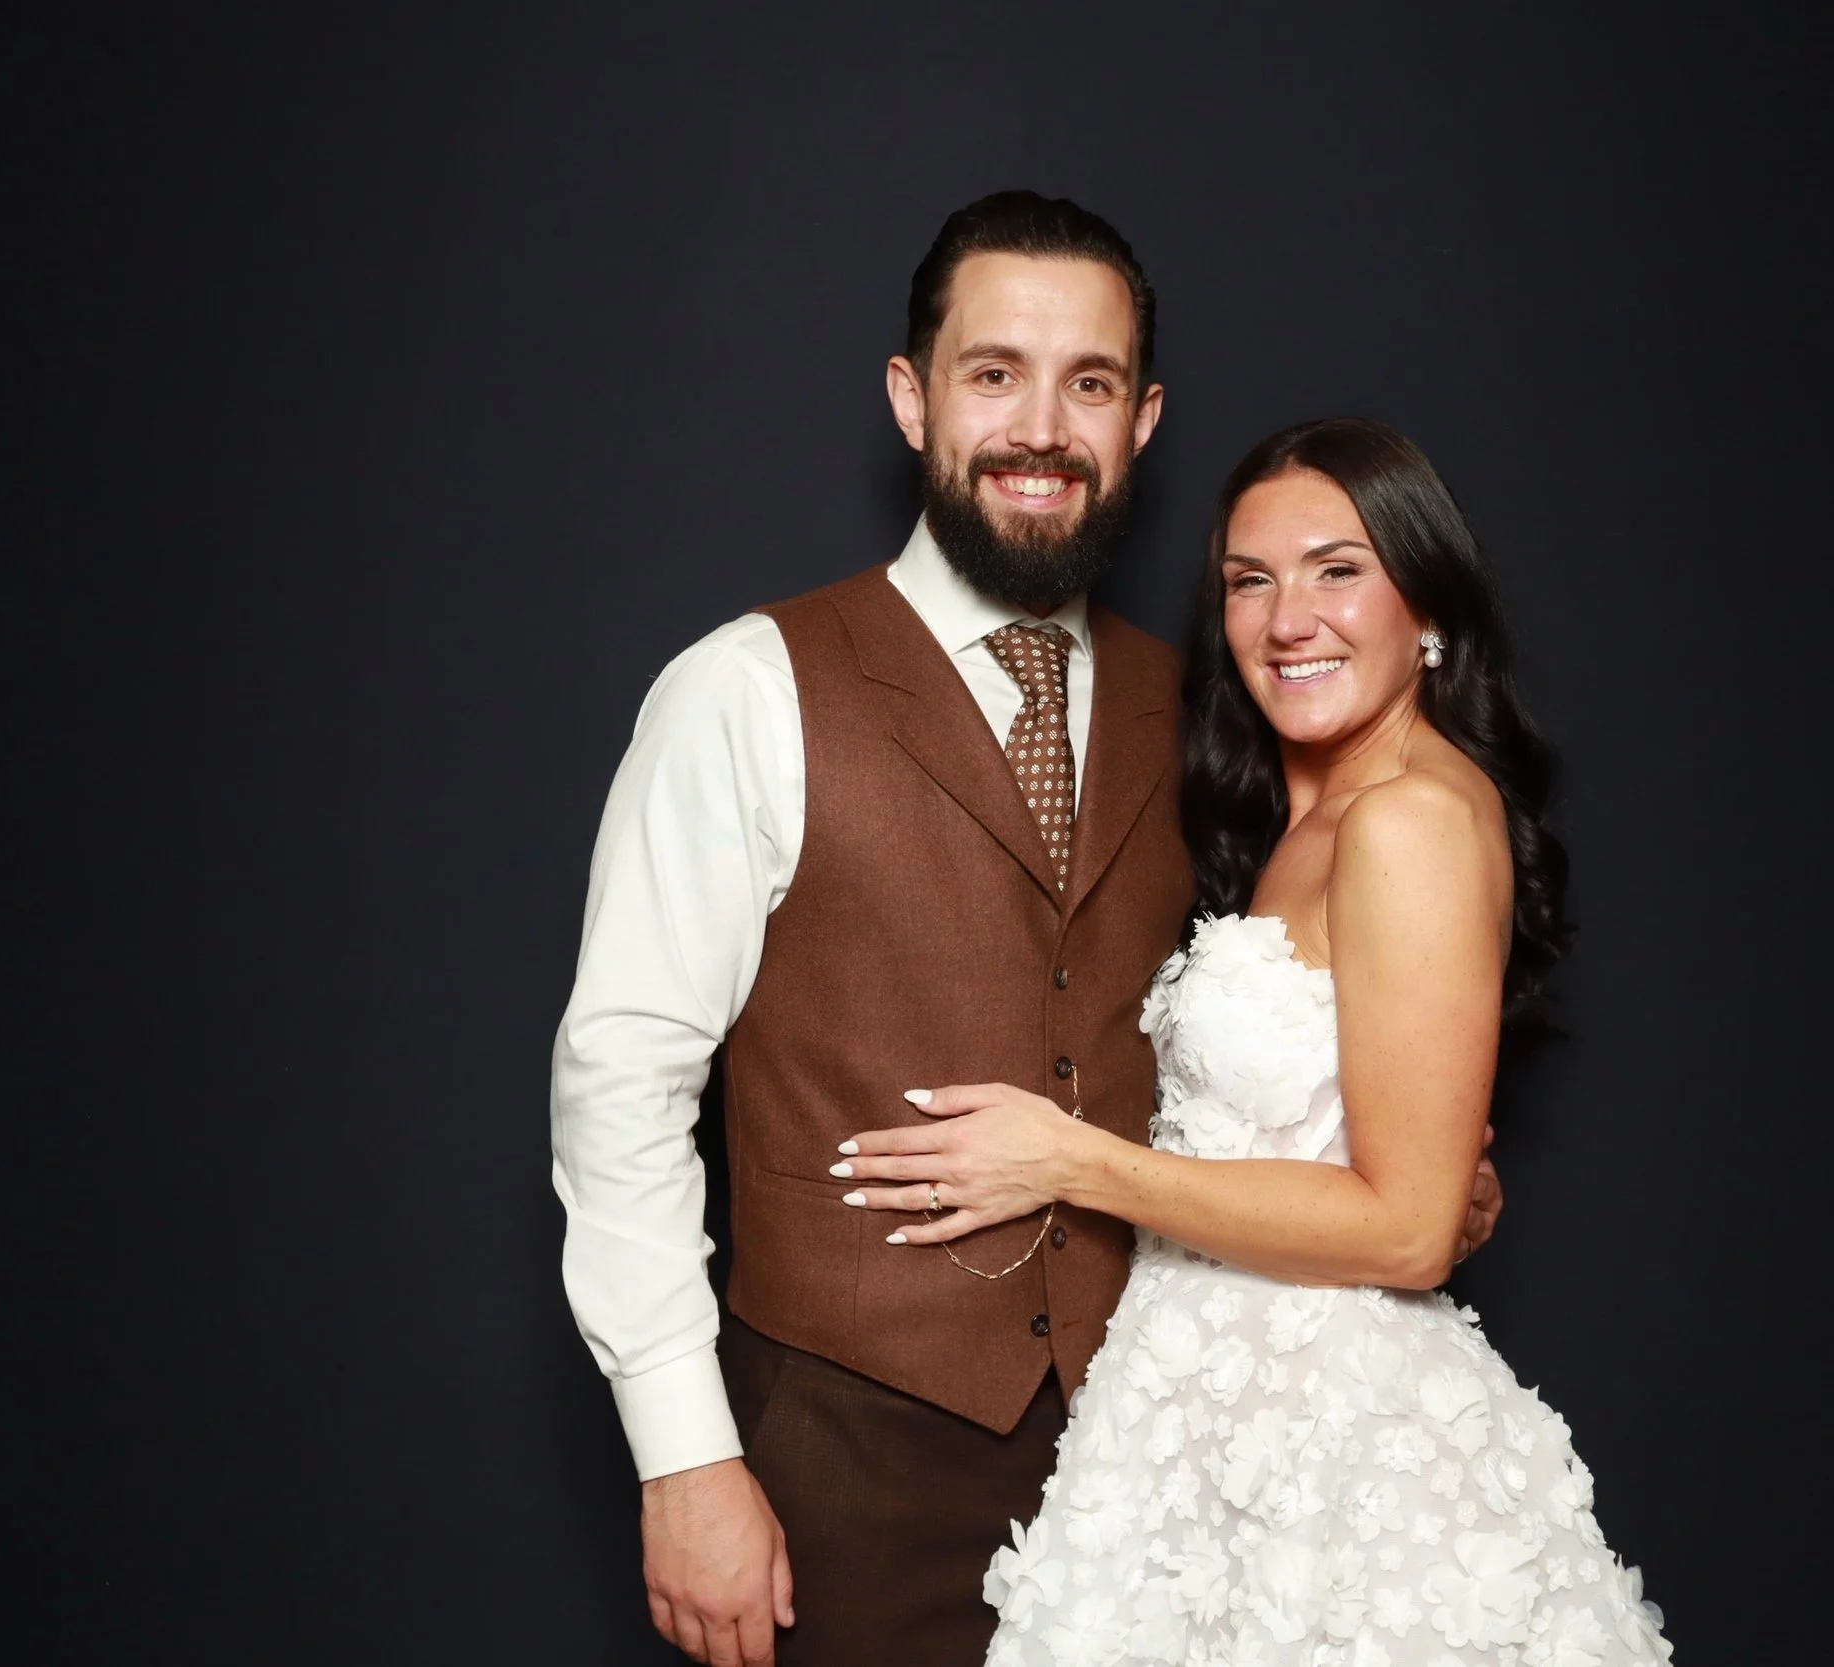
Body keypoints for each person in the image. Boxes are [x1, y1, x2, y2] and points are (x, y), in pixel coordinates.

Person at [550, 197, 1505, 1667]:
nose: (1041, 427)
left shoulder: (1208, 704)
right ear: (912, 395)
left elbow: (1318, 991)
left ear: (1141, 422)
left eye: (1092, 383)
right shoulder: (744, 688)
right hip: (843, 1456)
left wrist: (1410, 1167)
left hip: (1163, 1454)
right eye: (994, 372)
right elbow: (620, 1085)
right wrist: (685, 1454)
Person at [835, 419, 1675, 1663]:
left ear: (1426, 601)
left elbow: (1400, 1226)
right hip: (1205, 1425)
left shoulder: (1410, 822)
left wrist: (1071, 1161)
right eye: (1249, 579)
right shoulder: (1303, 813)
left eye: (1338, 569)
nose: (1290, 618)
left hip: (1334, 1461)